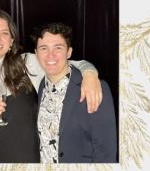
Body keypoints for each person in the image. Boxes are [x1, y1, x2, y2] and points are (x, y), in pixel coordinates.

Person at [0, 10, 102, 163]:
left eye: (4, 33)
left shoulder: (27, 63)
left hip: (29, 166)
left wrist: (90, 74)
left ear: (11, 41)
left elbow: (67, 63)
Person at [34, 23, 117, 163]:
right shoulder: (41, 85)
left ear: (69, 52)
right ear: (36, 54)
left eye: (58, 48)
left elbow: (106, 151)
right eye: (44, 48)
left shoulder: (94, 88)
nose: (50, 55)